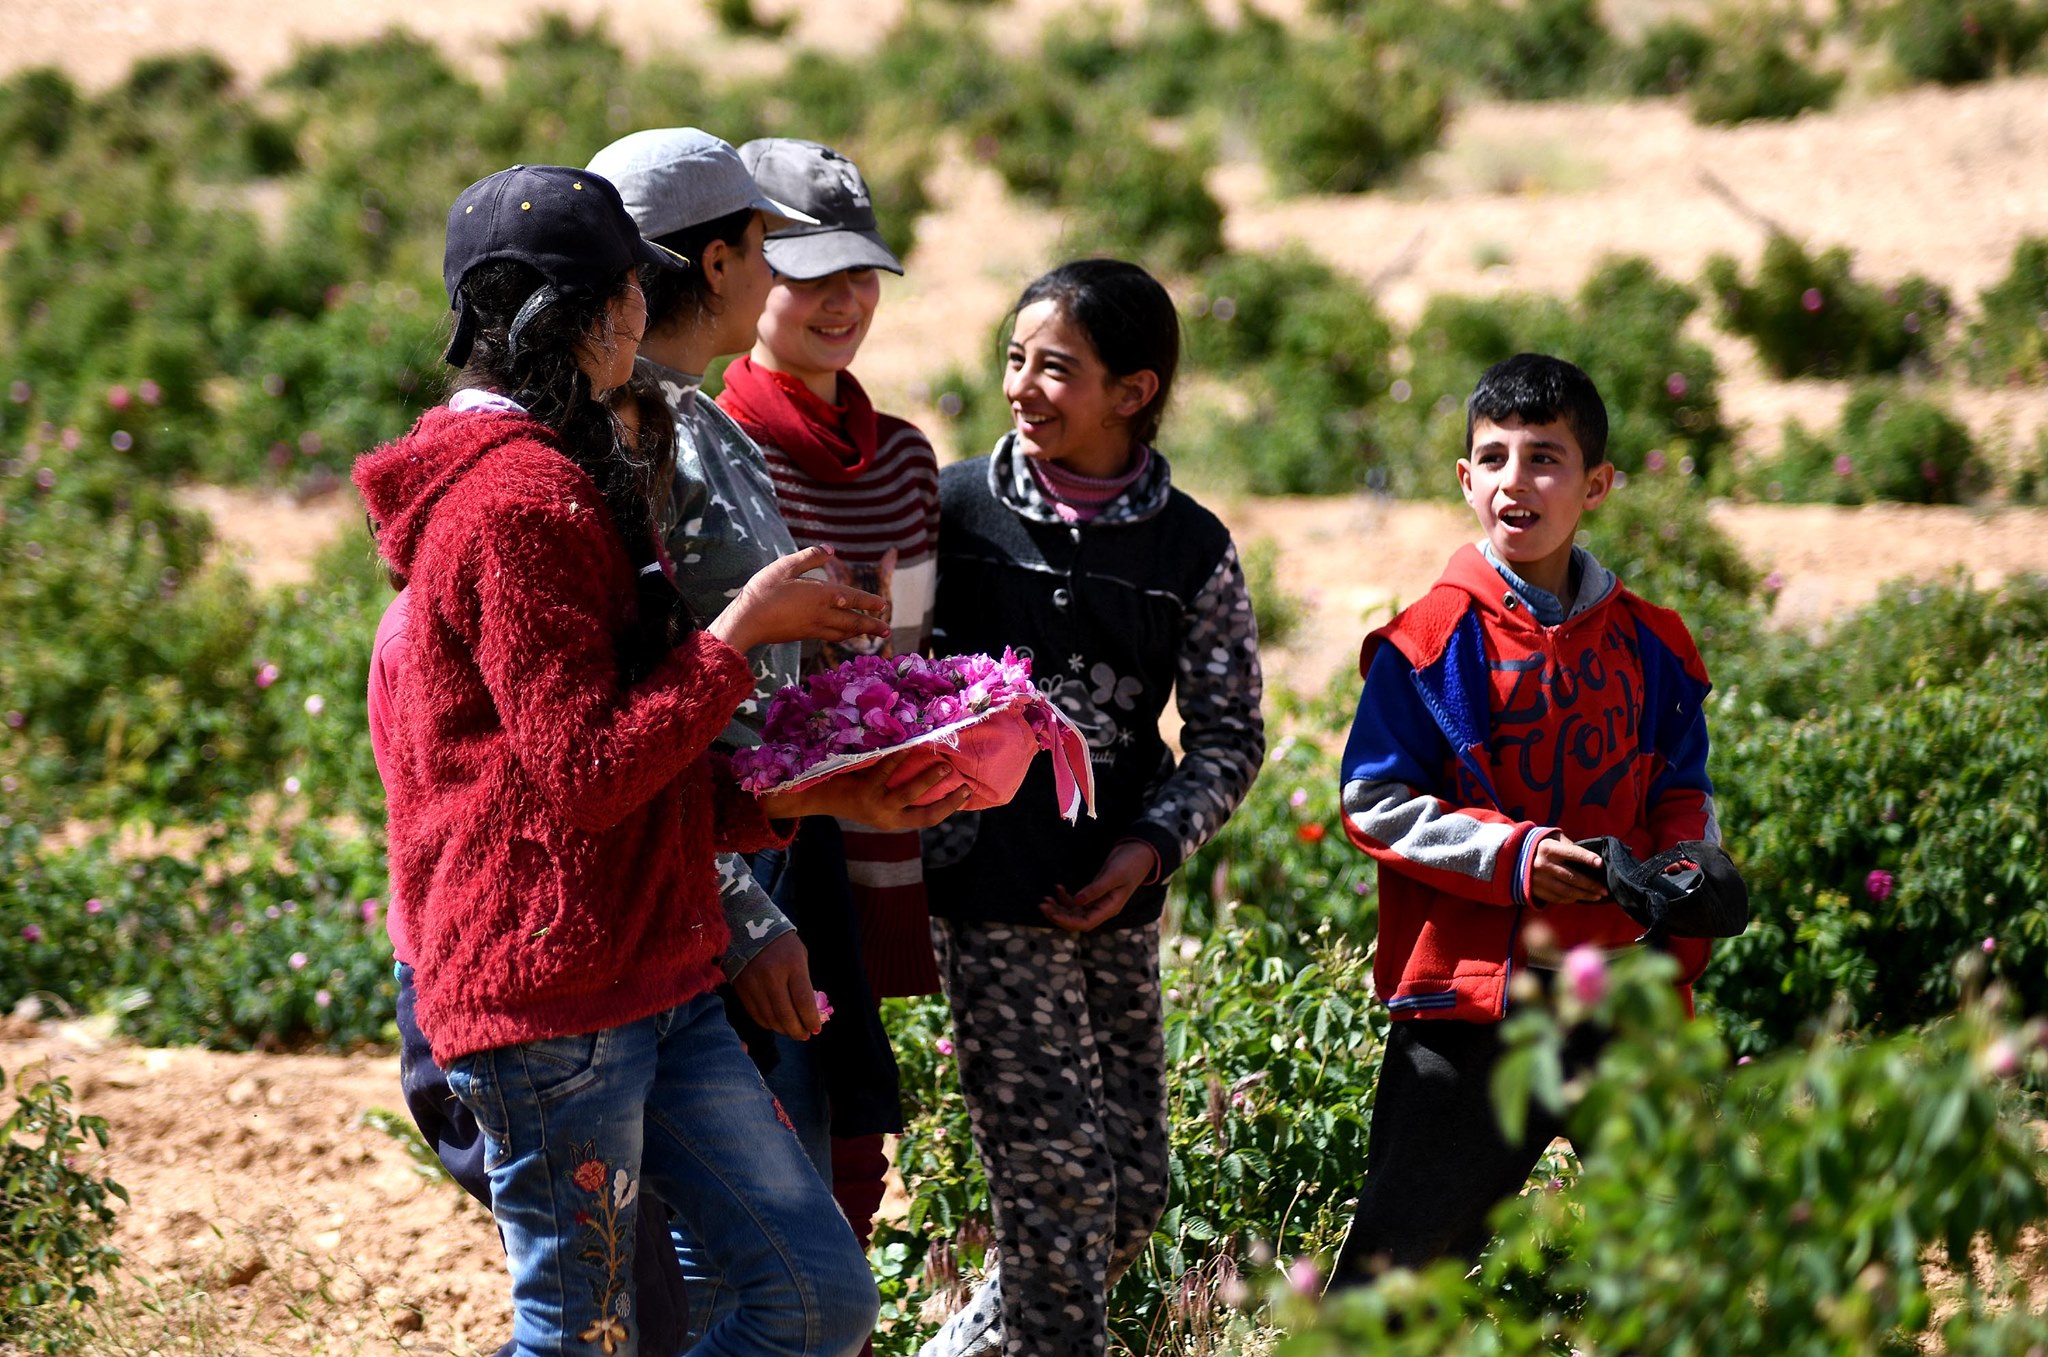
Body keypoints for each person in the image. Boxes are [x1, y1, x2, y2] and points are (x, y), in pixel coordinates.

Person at [353, 162, 887, 1357]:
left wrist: (791, 795)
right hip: (551, 988)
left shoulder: (556, 471)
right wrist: (738, 639)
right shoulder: (514, 504)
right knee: (583, 1337)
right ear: (593, 315)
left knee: (816, 1298)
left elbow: (607, 766)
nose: (644, 319)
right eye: (628, 296)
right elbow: (586, 770)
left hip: (647, 962)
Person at [585, 127, 967, 1344]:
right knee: (675, 1281)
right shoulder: (627, 442)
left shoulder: (692, 423)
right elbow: (621, 732)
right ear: (720, 264)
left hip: (756, 853)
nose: (823, 290)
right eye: (777, 250)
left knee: (777, 1241)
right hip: (685, 893)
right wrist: (746, 911)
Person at [918, 259, 1266, 1357]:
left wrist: (1152, 846)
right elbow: (875, 686)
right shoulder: (953, 517)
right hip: (983, 896)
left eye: (1054, 368)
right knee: (1058, 1188)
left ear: (1132, 391)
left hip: (1113, 900)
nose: (1021, 386)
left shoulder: (1191, 552)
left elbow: (1226, 736)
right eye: (1014, 359)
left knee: (1131, 1195)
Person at [1327, 352, 1720, 1286]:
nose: (1517, 481)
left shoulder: (1652, 643)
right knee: (1398, 1280)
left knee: (1670, 1258)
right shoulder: (1431, 640)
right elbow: (1372, 800)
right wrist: (1515, 855)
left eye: (1545, 458)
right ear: (1466, 481)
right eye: (1494, 458)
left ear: (1597, 484)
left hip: (1620, 992)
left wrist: (1689, 866)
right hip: (1475, 1005)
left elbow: (1680, 785)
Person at [714, 136, 942, 1276]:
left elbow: (915, 652)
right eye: (810, 271)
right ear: (746, 271)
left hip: (874, 832)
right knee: (780, 1127)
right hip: (764, 840)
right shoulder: (716, 449)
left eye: (863, 274)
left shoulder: (902, 458)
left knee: (855, 1133)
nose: (843, 300)